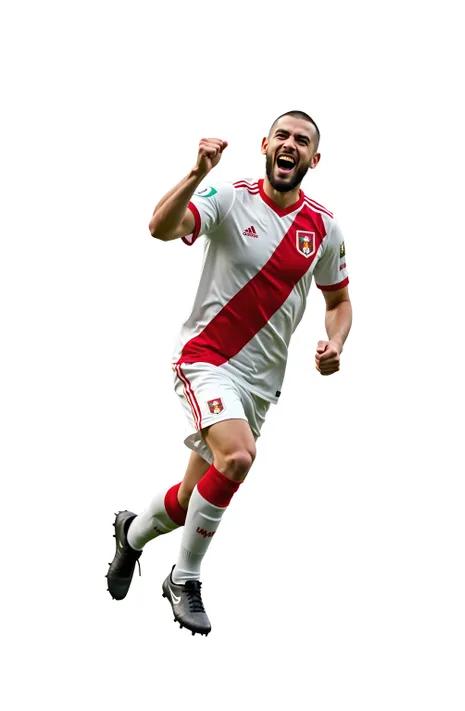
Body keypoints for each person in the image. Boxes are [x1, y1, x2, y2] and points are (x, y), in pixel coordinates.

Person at [106, 110, 353, 636]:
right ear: (265, 144)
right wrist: (195, 173)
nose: (290, 145)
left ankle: (131, 535)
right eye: (282, 136)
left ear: (314, 158)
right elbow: (160, 228)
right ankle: (185, 576)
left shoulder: (324, 228)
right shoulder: (229, 197)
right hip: (207, 360)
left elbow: (340, 300)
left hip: (260, 385)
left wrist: (335, 340)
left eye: (302, 141)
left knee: (192, 497)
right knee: (238, 456)